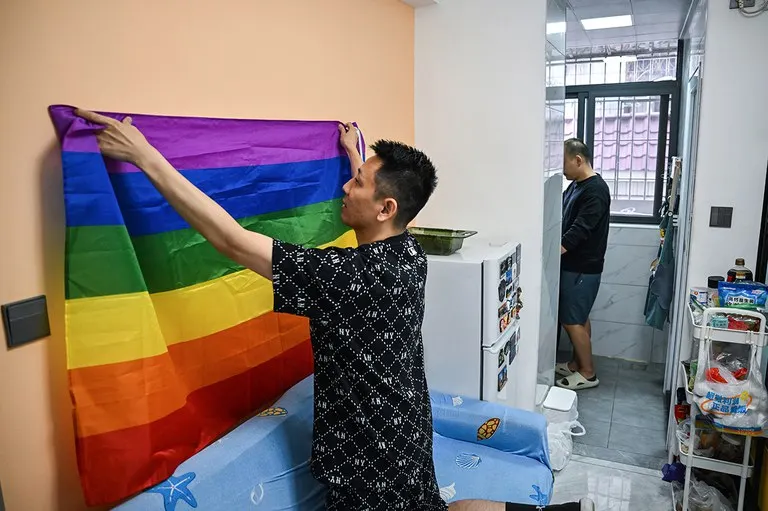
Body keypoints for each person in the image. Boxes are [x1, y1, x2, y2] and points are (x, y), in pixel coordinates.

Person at [74, 110, 595, 511]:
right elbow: (381, 208)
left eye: (358, 183)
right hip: (404, 433)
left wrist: (144, 156)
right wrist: (355, 153)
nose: (347, 187)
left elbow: (232, 242)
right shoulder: (406, 251)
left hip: (369, 464)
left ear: (387, 207)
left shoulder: (352, 278)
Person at [555, 138, 611, 391]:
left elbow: (580, 230)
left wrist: (551, 254)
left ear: (578, 160)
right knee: (579, 316)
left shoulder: (595, 190)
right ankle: (577, 364)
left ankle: (588, 373)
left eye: (564, 162)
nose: (562, 168)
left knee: (572, 320)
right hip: (574, 265)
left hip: (582, 267)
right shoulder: (576, 186)